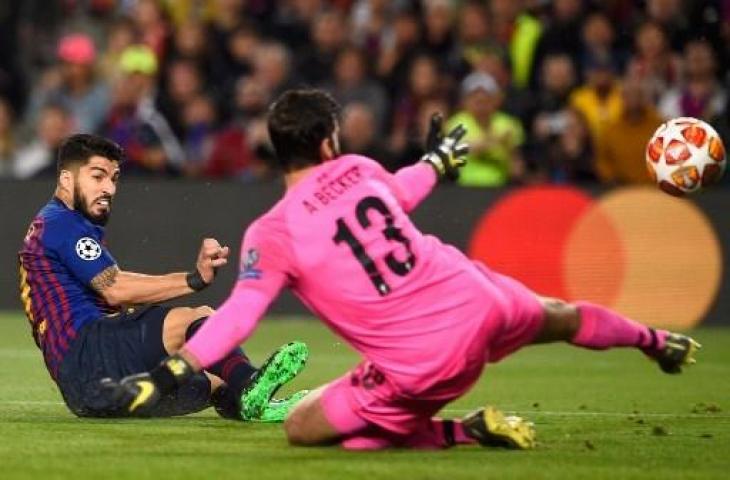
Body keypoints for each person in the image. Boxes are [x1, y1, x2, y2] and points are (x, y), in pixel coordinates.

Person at [111, 89, 699, 450]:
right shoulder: (362, 170)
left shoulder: (273, 231)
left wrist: (166, 375)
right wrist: (438, 160)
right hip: (479, 300)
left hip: (424, 363)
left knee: (304, 428)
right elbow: (404, 188)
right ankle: (655, 340)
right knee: (560, 316)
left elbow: (238, 317)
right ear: (326, 144)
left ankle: (462, 430)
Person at [18, 133, 308, 421]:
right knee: (198, 319)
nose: (109, 188)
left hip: (88, 390)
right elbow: (115, 288)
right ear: (67, 180)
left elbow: (110, 280)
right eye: (97, 177)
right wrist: (194, 280)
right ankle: (250, 382)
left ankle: (253, 404)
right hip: (88, 354)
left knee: (216, 378)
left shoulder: (56, 226)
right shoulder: (62, 224)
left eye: (114, 178)